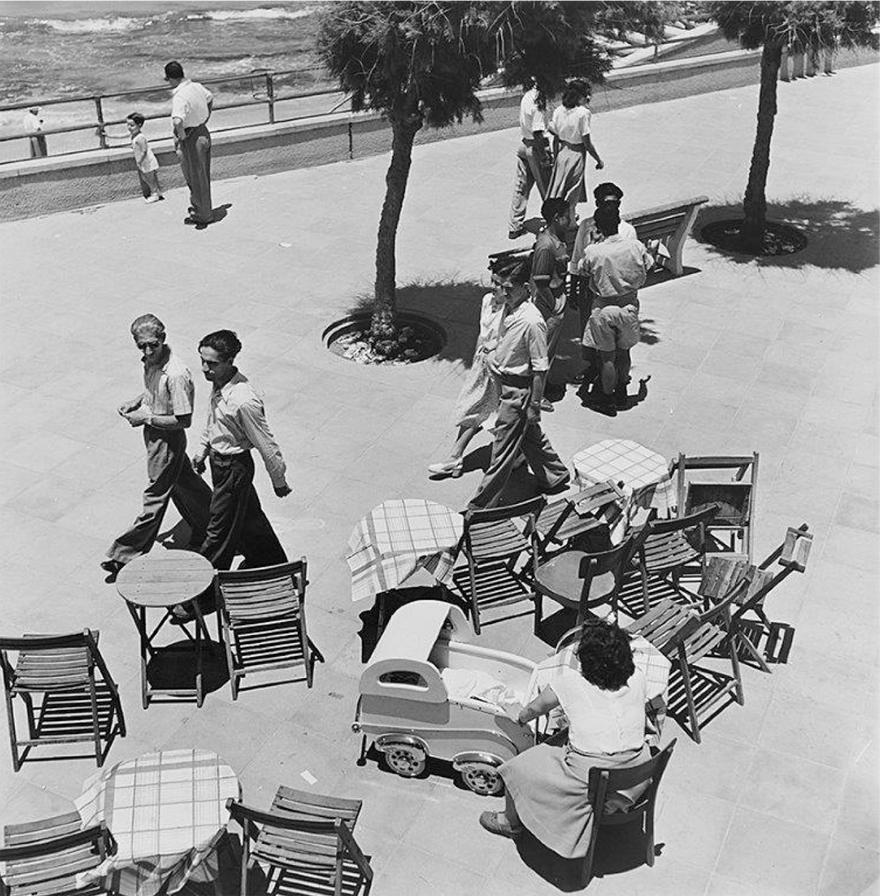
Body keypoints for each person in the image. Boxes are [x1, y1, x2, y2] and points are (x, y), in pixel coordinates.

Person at [479, 619, 652, 857]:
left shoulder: (569, 681)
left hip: (592, 775)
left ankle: (510, 822)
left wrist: (518, 716)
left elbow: (530, 711)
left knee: (516, 768)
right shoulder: (638, 676)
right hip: (637, 772)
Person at [101, 315, 212, 577]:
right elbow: (157, 394)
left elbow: (183, 419)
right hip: (155, 434)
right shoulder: (152, 362)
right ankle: (213, 526)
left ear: (163, 338)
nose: (148, 351)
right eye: (142, 346)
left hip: (167, 439)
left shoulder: (175, 374)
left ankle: (124, 554)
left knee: (155, 497)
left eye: (152, 345)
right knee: (185, 483)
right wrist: (139, 401)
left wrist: (146, 417)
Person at [467, 260, 570, 510]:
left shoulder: (532, 322)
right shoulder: (510, 310)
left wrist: (534, 405)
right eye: (501, 286)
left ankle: (481, 506)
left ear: (526, 288)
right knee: (529, 437)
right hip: (505, 385)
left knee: (502, 450)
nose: (502, 292)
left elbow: (540, 367)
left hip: (518, 392)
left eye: (508, 288)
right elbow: (511, 344)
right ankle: (554, 475)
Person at [193, 330, 290, 571]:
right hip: (220, 464)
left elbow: (266, 444)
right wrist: (203, 449)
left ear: (229, 361)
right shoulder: (219, 383)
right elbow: (213, 420)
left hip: (233, 468)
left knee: (218, 531)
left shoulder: (243, 400)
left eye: (212, 363)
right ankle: (272, 565)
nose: (205, 368)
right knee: (250, 519)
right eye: (202, 360)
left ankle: (203, 593)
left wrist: (279, 481)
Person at [427, 260, 510, 479]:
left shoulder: (513, 310)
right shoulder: (487, 300)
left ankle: (458, 458)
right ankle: (456, 457)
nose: (495, 288)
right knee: (475, 410)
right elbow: (482, 334)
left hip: (500, 368)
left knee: (492, 414)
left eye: (500, 285)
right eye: (493, 282)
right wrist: (476, 361)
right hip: (482, 365)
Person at [580, 204, 654, 410]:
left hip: (603, 310)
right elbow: (650, 264)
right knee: (624, 353)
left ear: (598, 226)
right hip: (628, 306)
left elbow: (583, 269)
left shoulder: (594, 251)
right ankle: (621, 391)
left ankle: (606, 397)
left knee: (607, 358)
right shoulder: (635, 246)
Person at [569, 182, 638, 384]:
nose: (611, 207)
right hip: (591, 290)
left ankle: (611, 376)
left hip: (616, 293)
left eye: (615, 203)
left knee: (616, 341)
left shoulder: (627, 231)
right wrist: (575, 291)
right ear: (597, 203)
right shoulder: (586, 226)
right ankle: (593, 367)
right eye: (606, 203)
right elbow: (576, 259)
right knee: (588, 332)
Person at [530, 197, 573, 411]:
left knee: (550, 350)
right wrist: (553, 305)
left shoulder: (558, 237)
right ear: (557, 218)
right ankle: (535, 397)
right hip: (549, 303)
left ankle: (543, 387)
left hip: (558, 296)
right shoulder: (546, 246)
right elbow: (540, 280)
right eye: (568, 216)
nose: (571, 218)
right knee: (543, 353)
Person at [164, 61, 213, 226]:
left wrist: (182, 136)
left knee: (194, 176)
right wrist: (206, 118)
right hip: (203, 131)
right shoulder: (197, 87)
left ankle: (202, 215)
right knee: (203, 175)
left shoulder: (180, 96)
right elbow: (210, 98)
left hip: (191, 137)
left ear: (171, 79)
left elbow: (178, 120)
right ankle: (204, 209)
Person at [546, 81, 603, 220]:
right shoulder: (583, 113)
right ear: (580, 96)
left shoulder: (559, 110)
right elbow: (587, 142)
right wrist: (598, 160)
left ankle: (561, 216)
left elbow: (551, 128)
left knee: (560, 187)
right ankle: (569, 222)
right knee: (572, 191)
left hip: (563, 152)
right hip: (576, 155)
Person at [508, 78, 552, 240]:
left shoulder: (527, 96)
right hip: (535, 148)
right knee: (547, 187)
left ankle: (515, 225)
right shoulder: (539, 101)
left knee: (521, 187)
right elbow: (538, 131)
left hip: (524, 145)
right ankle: (553, 220)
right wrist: (546, 154)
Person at [126, 113, 164, 203]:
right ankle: (157, 192)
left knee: (149, 178)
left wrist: (139, 161)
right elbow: (122, 136)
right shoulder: (134, 135)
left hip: (147, 161)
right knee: (147, 177)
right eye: (127, 125)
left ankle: (155, 193)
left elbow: (144, 150)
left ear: (139, 125)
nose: (129, 127)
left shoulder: (140, 137)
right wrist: (108, 135)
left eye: (131, 125)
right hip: (144, 161)